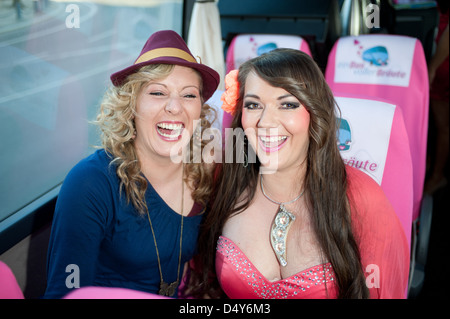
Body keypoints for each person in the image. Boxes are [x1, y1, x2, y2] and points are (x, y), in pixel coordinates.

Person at [188, 48, 409, 299]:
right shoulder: (223, 180)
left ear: (314, 114)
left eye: (288, 105)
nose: (266, 122)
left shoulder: (362, 198)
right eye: (253, 105)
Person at [44, 30, 220, 298]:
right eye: (158, 92)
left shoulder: (202, 173)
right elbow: (64, 292)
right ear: (131, 105)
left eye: (188, 95)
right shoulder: (90, 182)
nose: (175, 107)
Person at [425, 1, 449, 195]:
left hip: (443, 67)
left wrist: (432, 68)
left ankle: (436, 177)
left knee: (442, 127)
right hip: (441, 63)